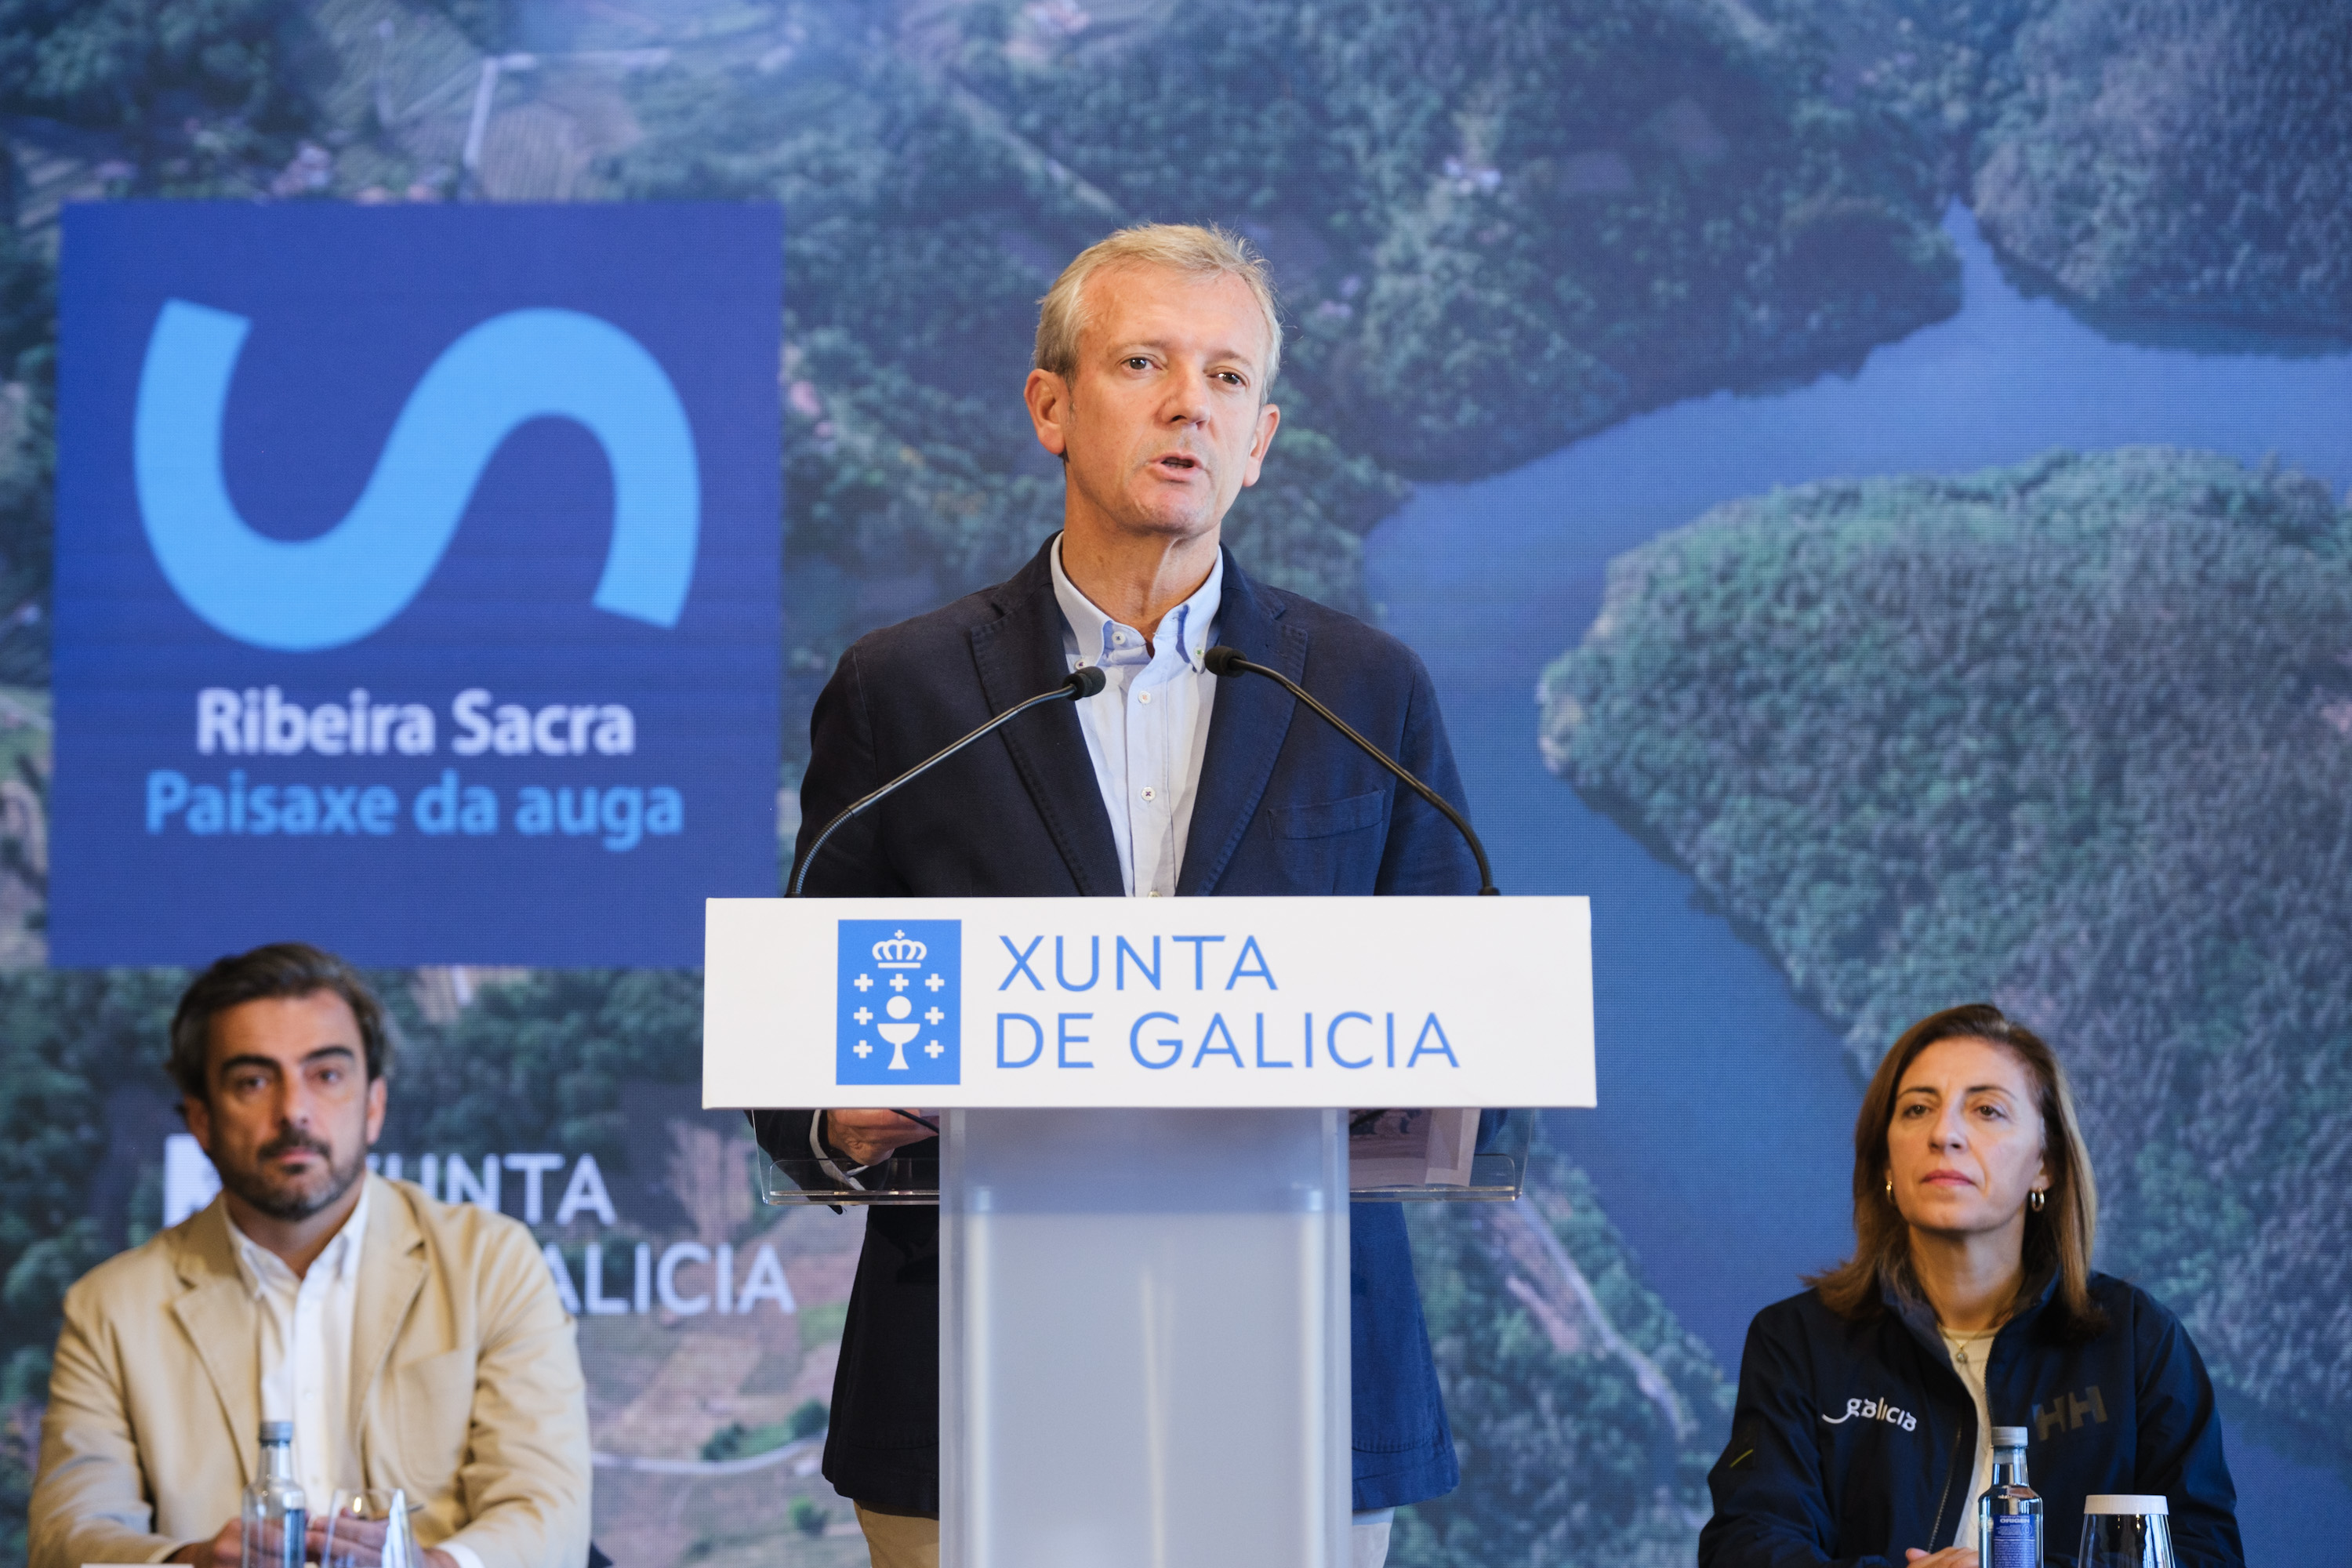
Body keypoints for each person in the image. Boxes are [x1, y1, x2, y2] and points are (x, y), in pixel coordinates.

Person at [752, 222, 1479, 1567]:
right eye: (1144, 362)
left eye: (1227, 377)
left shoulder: (1365, 692)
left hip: (1295, 1368)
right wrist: (828, 1116)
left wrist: (1429, 1082)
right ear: (1051, 407)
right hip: (973, 1370)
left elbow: (1470, 1022)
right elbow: (797, 1041)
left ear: (1259, 442)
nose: (1189, 404)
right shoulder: (905, 690)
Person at [29, 943, 592, 1568]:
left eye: (326, 1075)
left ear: (373, 1106)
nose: (293, 1111)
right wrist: (191, 1563)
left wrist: (431, 1567)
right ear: (201, 1120)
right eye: (253, 1081)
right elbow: (67, 1538)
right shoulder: (110, 1309)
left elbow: (549, 1511)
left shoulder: (491, 1265)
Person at [1697, 1003, 2243, 1567]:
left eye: (1987, 1110)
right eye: (1917, 1109)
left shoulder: (2137, 1343)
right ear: (1886, 1162)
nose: (1945, 1134)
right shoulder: (1797, 1342)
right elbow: (1746, 1545)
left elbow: (2205, 1554)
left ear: (2045, 1164)